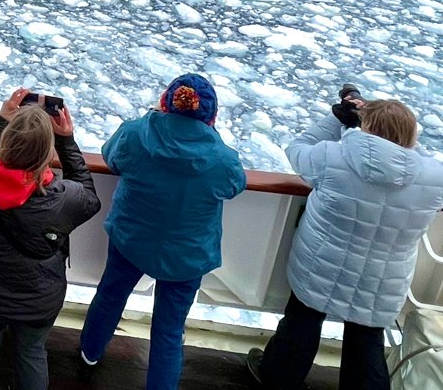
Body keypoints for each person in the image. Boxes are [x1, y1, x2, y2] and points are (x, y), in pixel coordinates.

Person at [247, 91, 443, 390]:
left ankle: (277, 378)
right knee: (366, 343)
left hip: (321, 267)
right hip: (382, 279)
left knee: (301, 324)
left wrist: (336, 120)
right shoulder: (435, 177)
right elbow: (407, 162)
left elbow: (298, 149)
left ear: (367, 128)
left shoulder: (332, 156)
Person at [79, 73, 246, 390]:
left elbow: (111, 155)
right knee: (169, 330)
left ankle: (89, 353)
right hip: (187, 255)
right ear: (211, 117)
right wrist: (210, 137)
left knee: (110, 296)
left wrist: (151, 120)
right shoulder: (222, 159)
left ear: (164, 102)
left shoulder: (135, 134)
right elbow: (234, 185)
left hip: (132, 239)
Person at [0, 91, 101, 390]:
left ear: (6, 141)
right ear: (47, 154)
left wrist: (0, 119)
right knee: (32, 355)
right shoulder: (66, 199)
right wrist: (66, 141)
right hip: (39, 301)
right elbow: (89, 195)